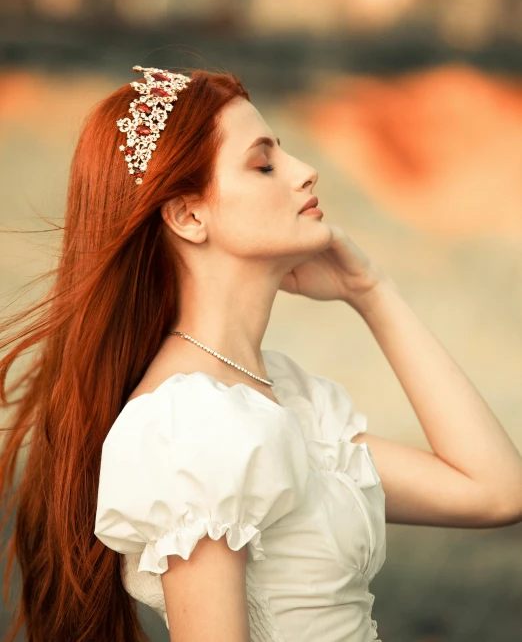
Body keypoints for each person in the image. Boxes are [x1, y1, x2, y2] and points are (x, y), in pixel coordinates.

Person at [1, 66, 521, 642]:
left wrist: (370, 291)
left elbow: (495, 492)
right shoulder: (190, 426)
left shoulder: (285, 402)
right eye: (264, 164)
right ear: (188, 216)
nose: (305, 171)